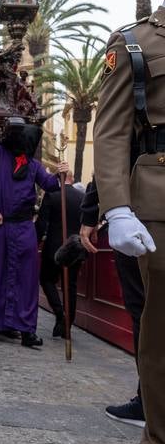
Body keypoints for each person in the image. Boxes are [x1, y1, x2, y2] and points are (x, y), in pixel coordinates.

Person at [93, 0, 165, 444]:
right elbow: (112, 131)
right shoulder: (135, 44)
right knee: (162, 329)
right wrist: (116, 207)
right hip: (159, 196)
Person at [0, 117, 69, 348]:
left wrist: (61, 174)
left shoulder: (33, 165)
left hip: (24, 228)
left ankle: (26, 330)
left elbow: (50, 185)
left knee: (25, 280)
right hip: (0, 226)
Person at [80, 178, 145, 427]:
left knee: (145, 311)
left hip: (142, 210)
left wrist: (90, 213)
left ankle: (148, 402)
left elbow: (112, 153)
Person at [36, 170, 84, 338]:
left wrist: (35, 241)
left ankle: (60, 314)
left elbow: (42, 222)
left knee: (46, 279)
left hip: (54, 247)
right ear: (72, 178)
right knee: (70, 286)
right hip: (75, 247)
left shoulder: (52, 194)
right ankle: (67, 324)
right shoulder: (81, 196)